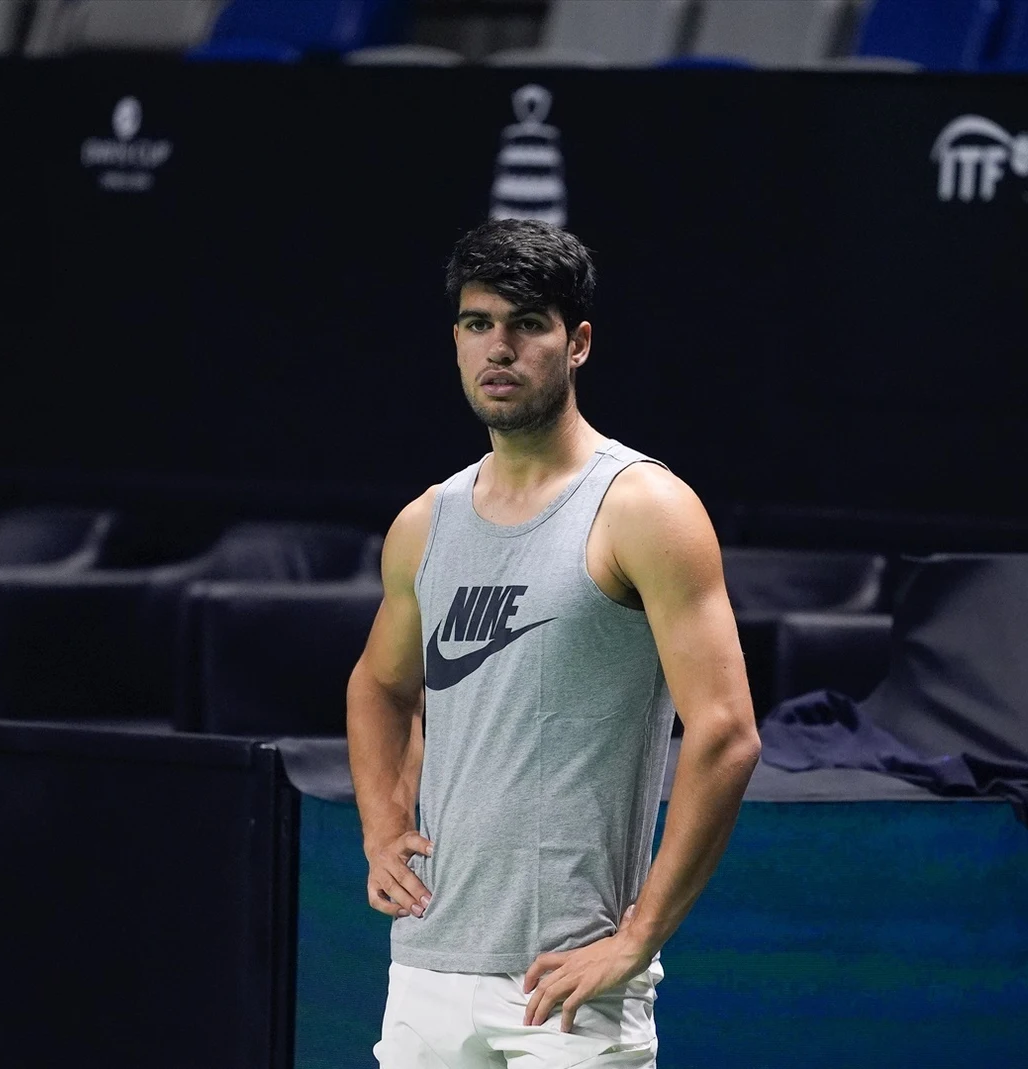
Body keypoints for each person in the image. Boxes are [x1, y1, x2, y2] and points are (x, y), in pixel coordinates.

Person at [346, 219, 760, 1068]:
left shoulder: (645, 508)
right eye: (476, 324)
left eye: (526, 323)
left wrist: (636, 938)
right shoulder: (426, 522)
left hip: (571, 986)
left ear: (576, 343)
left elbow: (725, 732)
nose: (498, 347)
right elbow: (379, 686)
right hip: (427, 965)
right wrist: (381, 825)